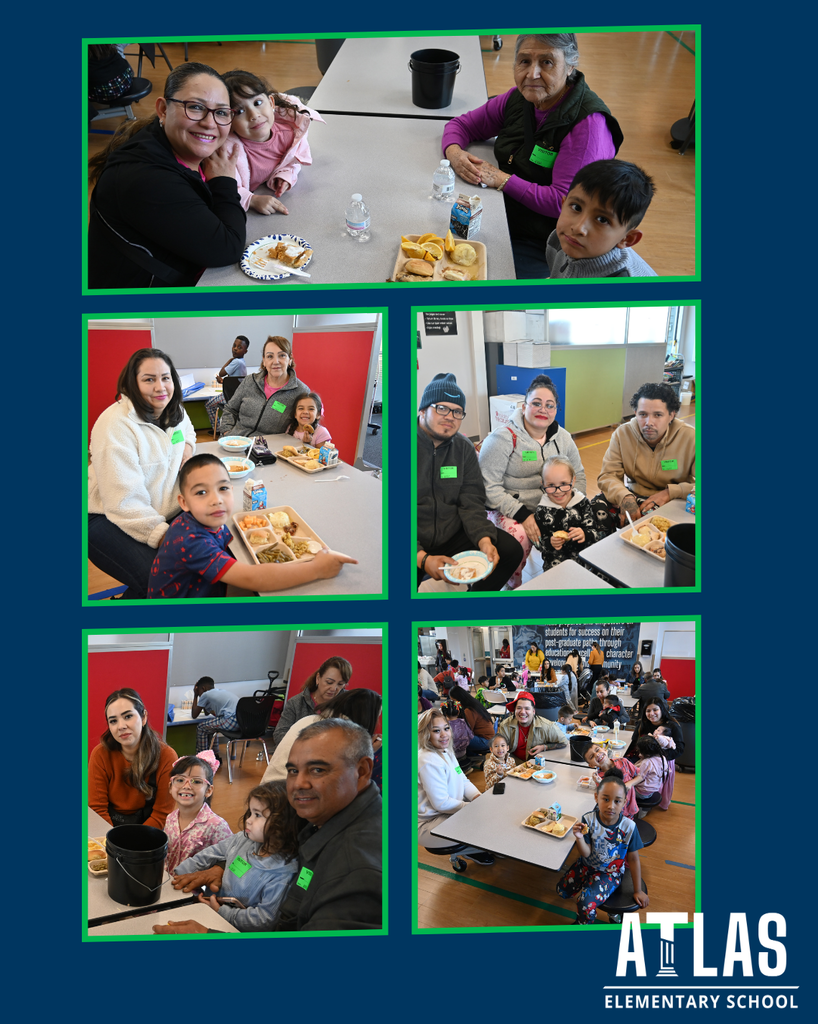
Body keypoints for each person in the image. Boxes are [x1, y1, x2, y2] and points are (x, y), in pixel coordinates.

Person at [158, 719, 383, 933]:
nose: (298, 784)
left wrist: (208, 934)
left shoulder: (358, 868)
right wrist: (220, 867)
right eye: (293, 771)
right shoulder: (319, 821)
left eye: (317, 770)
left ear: (362, 771)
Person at [441, 34, 622, 278]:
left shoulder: (588, 127)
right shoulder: (520, 97)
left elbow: (565, 203)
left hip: (547, 241)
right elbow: (462, 126)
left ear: (570, 66)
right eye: (524, 61)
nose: (532, 74)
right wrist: (455, 154)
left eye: (547, 62)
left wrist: (503, 179)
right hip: (505, 213)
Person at [88, 62, 246, 289]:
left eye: (221, 112)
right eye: (195, 107)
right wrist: (224, 182)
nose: (209, 123)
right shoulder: (146, 179)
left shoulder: (174, 147)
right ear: (163, 110)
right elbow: (227, 249)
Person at [147, 454, 356, 598]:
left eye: (223, 488)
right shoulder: (190, 540)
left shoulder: (206, 518)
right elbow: (253, 578)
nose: (216, 500)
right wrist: (316, 570)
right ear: (183, 502)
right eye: (201, 492)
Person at [88, 348, 196, 600]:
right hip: (107, 516)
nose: (160, 387)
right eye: (149, 379)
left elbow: (188, 431)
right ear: (132, 384)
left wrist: (187, 450)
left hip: (161, 510)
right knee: (169, 584)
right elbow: (124, 502)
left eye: (165, 378)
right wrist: (165, 538)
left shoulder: (174, 410)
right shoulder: (115, 425)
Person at [417, 373, 523, 591]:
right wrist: (422, 558)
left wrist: (483, 538)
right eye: (441, 408)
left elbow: (472, 501)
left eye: (457, 411)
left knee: (510, 551)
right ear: (423, 410)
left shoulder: (463, 448)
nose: (450, 416)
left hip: (453, 531)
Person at [479, 375, 586, 589]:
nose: (542, 409)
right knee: (519, 536)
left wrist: (573, 507)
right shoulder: (503, 438)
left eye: (550, 405)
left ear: (556, 410)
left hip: (554, 506)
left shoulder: (563, 438)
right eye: (536, 403)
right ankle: (514, 584)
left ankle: (563, 583)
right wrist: (522, 514)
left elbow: (580, 476)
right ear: (524, 406)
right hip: (509, 510)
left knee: (579, 531)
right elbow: (488, 487)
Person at [174, 780, 300, 931]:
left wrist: (222, 912)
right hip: (209, 909)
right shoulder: (243, 839)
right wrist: (178, 874)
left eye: (258, 815)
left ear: (282, 824)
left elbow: (264, 919)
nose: (249, 820)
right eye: (251, 813)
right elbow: (209, 854)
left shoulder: (282, 873)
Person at [220, 69, 324, 215]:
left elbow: (292, 161)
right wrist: (251, 200)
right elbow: (224, 188)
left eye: (257, 103)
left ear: (271, 103)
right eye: (239, 112)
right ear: (228, 120)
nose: (254, 115)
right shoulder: (229, 152)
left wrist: (285, 175)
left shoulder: (290, 134)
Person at [556, 767, 648, 923]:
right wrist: (579, 838)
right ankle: (592, 888)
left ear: (624, 802)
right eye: (605, 799)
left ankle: (584, 923)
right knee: (561, 891)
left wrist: (638, 890)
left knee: (584, 903)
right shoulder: (588, 820)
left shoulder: (629, 827)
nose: (611, 806)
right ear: (596, 797)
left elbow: (633, 860)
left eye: (617, 801)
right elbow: (586, 853)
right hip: (586, 865)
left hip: (609, 873)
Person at [598, 382, 695, 526]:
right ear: (635, 413)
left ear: (671, 415)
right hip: (633, 496)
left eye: (658, 415)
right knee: (596, 508)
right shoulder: (622, 434)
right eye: (643, 414)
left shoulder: (691, 437)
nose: (649, 422)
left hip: (673, 500)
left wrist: (670, 492)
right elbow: (607, 475)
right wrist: (624, 496)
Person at [545, 159, 657, 278]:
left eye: (602, 220)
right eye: (576, 207)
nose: (578, 228)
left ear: (627, 239)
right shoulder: (559, 239)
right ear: (563, 205)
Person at [262, 688, 382, 792]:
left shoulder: (310, 719)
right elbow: (347, 779)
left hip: (267, 790)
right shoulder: (340, 734)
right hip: (288, 797)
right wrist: (369, 750)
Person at [88, 688, 178, 828]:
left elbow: (162, 814)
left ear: (143, 717)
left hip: (148, 832)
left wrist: (134, 844)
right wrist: (114, 842)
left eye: (128, 716)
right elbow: (97, 809)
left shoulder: (166, 756)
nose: (121, 726)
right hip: (108, 829)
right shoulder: (100, 755)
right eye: (113, 721)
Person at [417, 710, 494, 864]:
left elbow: (463, 779)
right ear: (426, 734)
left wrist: (478, 798)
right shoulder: (427, 760)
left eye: (446, 728)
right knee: (487, 822)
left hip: (445, 814)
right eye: (436, 731)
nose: (444, 735)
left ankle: (478, 847)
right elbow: (441, 803)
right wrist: (473, 807)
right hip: (429, 824)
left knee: (489, 814)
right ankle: (473, 850)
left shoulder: (445, 750)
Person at [533, 455, 613, 574]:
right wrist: (550, 542)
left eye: (564, 483)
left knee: (602, 574)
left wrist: (585, 534)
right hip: (556, 560)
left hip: (585, 555)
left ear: (573, 480)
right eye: (550, 485)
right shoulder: (542, 511)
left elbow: (595, 533)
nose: (558, 491)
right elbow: (538, 543)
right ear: (543, 484)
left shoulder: (582, 503)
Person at [219, 335, 311, 437]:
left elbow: (308, 422)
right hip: (237, 442)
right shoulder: (250, 381)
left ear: (290, 359)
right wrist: (227, 433)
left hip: (270, 447)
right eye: (270, 356)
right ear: (264, 360)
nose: (276, 361)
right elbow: (230, 409)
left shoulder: (301, 391)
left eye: (282, 355)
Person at [163, 753, 233, 874]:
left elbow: (233, 858)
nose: (186, 786)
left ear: (208, 790)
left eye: (196, 781)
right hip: (168, 883)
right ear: (170, 787)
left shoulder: (217, 825)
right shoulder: (170, 818)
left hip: (196, 888)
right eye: (180, 780)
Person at [272, 656, 352, 748]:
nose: (333, 689)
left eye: (340, 684)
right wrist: (308, 746)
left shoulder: (349, 703)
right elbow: (279, 734)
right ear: (318, 678)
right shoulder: (296, 703)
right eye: (329, 682)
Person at [497, 692, 568, 762]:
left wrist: (544, 747)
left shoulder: (547, 726)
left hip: (536, 764)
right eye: (519, 708)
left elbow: (564, 742)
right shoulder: (505, 725)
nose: (522, 712)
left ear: (533, 711)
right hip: (513, 763)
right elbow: (499, 750)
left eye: (527, 708)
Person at [584, 744, 643, 821]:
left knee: (628, 826)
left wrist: (630, 783)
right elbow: (606, 795)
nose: (597, 754)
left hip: (629, 807)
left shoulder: (623, 762)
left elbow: (640, 776)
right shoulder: (599, 777)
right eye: (591, 756)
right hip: (613, 813)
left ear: (605, 749)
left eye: (597, 750)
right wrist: (599, 782)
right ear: (591, 765)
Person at [205, 335, 250, 432]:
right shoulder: (242, 362)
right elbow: (235, 381)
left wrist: (230, 360)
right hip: (237, 395)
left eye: (239, 347)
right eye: (234, 345)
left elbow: (222, 373)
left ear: (245, 351)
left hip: (230, 396)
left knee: (209, 404)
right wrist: (222, 381)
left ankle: (217, 429)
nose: (235, 349)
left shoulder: (236, 362)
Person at [626, 698, 684, 768]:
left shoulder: (673, 726)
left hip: (662, 762)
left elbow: (679, 749)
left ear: (661, 709)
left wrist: (655, 755)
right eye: (648, 711)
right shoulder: (643, 723)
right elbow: (634, 741)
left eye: (655, 710)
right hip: (642, 758)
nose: (651, 714)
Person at [191, 676, 239, 756]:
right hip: (241, 721)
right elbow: (207, 713)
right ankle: (215, 755)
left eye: (198, 691)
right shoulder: (219, 692)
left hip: (231, 720)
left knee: (201, 727)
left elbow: (194, 715)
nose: (199, 694)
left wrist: (195, 695)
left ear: (203, 688)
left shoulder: (205, 694)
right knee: (211, 727)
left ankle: (203, 757)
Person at [632, 734, 673, 814]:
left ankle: (632, 810)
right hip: (652, 790)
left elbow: (638, 777)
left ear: (647, 754)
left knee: (622, 789)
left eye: (640, 751)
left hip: (641, 793)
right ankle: (644, 810)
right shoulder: (662, 758)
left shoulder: (646, 762)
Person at [449, 686, 495, 757]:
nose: (454, 704)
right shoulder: (473, 704)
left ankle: (465, 758)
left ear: (460, 699)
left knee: (456, 739)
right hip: (488, 739)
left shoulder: (469, 710)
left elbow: (467, 731)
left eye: (454, 701)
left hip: (485, 741)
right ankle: (472, 756)